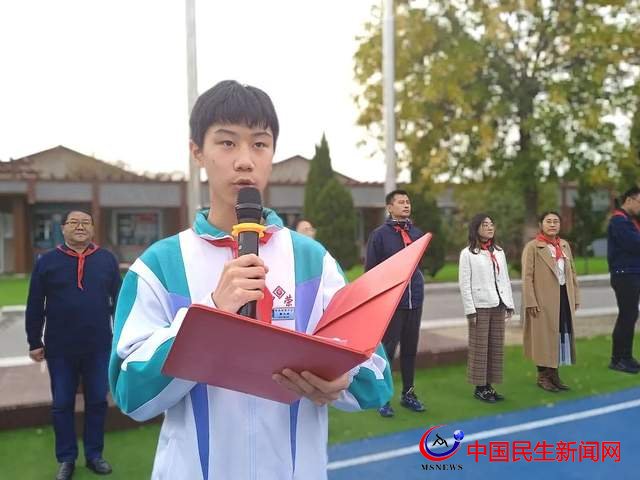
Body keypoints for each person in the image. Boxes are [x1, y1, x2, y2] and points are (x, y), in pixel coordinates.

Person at [109, 80, 392, 480]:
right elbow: (130, 394)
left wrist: (342, 381)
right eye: (227, 143)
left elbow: (376, 377)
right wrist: (208, 313)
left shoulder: (314, 261)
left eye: (260, 144)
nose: (245, 161)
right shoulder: (159, 265)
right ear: (197, 152)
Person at [25, 209, 121, 480]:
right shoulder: (47, 262)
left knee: (98, 401)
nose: (80, 227)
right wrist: (34, 341)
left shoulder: (107, 260)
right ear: (63, 228)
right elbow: (35, 304)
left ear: (93, 229)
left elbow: (120, 301)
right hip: (60, 347)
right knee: (62, 403)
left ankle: (94, 455)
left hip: (99, 345)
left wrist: (124, 337)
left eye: (86, 223)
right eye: (74, 222)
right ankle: (66, 459)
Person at [365, 189, 426, 417]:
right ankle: (383, 398)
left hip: (415, 299)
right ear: (389, 208)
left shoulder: (417, 234)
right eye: (400, 202)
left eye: (408, 201)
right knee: (388, 351)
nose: (406, 205)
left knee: (410, 349)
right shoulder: (379, 235)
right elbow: (371, 270)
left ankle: (408, 394)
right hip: (391, 302)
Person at [458, 214, 515, 403]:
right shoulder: (468, 254)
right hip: (480, 306)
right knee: (480, 349)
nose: (490, 228)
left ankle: (489, 386)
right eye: (485, 225)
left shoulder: (498, 251)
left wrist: (509, 304)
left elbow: (505, 279)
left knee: (495, 348)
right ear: (476, 228)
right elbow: (464, 284)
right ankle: (480, 388)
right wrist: (470, 311)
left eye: (491, 224)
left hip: (498, 304)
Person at [521, 211, 580, 392]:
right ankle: (543, 376)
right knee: (543, 338)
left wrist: (576, 297)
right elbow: (527, 277)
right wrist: (530, 301)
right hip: (542, 300)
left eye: (556, 221)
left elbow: (572, 272)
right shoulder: (533, 247)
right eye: (549, 221)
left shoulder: (564, 245)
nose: (552, 224)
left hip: (563, 296)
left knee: (560, 334)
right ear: (541, 224)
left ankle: (554, 374)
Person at [607, 186, 640, 374]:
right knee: (627, 315)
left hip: (632, 273)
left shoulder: (630, 221)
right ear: (629, 200)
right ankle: (618, 359)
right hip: (624, 274)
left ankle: (626, 356)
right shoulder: (619, 221)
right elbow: (635, 244)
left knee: (630, 315)